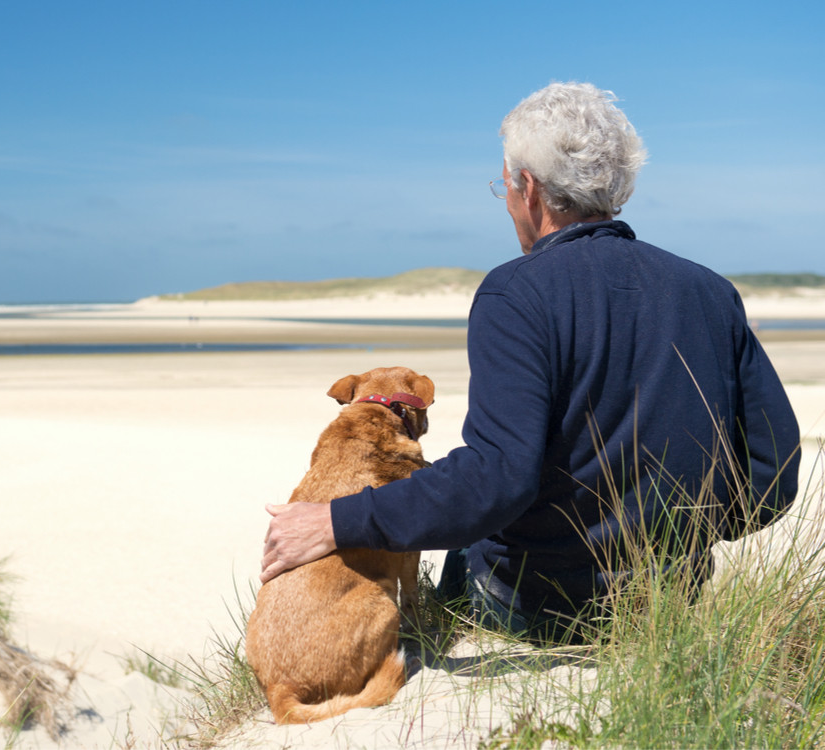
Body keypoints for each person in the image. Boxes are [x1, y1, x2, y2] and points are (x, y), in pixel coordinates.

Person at [260, 82, 802, 641]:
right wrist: (679, 544)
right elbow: (773, 474)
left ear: (529, 188)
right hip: (672, 602)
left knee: (470, 543)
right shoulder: (709, 290)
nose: (508, 200)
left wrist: (338, 520)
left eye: (504, 185)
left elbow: (497, 477)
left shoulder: (514, 292)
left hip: (535, 608)